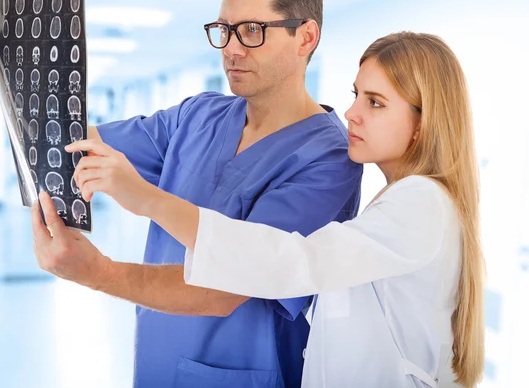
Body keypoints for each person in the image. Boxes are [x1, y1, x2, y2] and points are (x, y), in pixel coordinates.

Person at [0, 0, 362, 387]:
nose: (230, 47)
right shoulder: (199, 115)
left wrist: (97, 271)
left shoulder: (329, 160)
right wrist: (9, 71)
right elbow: (75, 141)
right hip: (156, 363)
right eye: (223, 30)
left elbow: (225, 288)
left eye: (252, 31)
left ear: (305, 37)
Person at [63, 32, 485, 387]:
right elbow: (69, 140)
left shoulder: (420, 203)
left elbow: (287, 260)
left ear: (423, 123)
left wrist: (147, 201)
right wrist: (15, 68)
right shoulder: (402, 201)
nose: (353, 114)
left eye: (375, 102)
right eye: (356, 95)